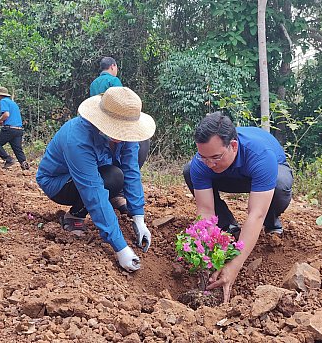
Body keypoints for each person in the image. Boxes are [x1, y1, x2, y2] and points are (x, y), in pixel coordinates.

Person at [36, 87, 156, 272]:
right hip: (59, 182)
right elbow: (92, 190)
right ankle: (75, 215)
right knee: (113, 178)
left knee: (137, 151)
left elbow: (131, 170)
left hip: (98, 173)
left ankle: (115, 195)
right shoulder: (77, 138)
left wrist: (138, 217)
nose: (122, 135)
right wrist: (121, 248)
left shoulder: (126, 136)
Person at [183, 112, 293, 303]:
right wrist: (208, 253)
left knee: (280, 185)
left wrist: (234, 266)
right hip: (227, 176)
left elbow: (255, 213)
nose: (209, 163)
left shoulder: (260, 155)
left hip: (264, 175)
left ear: (233, 146)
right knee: (189, 170)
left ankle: (272, 221)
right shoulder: (204, 162)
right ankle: (228, 226)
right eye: (204, 157)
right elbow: (205, 211)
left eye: (215, 157)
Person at [90, 56, 151, 214]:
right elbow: (122, 106)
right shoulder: (114, 82)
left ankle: (114, 191)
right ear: (113, 67)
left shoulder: (94, 83)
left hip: (98, 125)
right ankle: (118, 192)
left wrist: (138, 214)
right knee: (139, 145)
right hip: (109, 127)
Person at [0, 86, 29, 170]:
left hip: (10, 129)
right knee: (17, 149)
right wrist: (2, 121)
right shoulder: (13, 103)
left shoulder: (3, 101)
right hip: (18, 129)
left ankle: (9, 160)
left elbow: (6, 114)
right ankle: (24, 165)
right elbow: (11, 117)